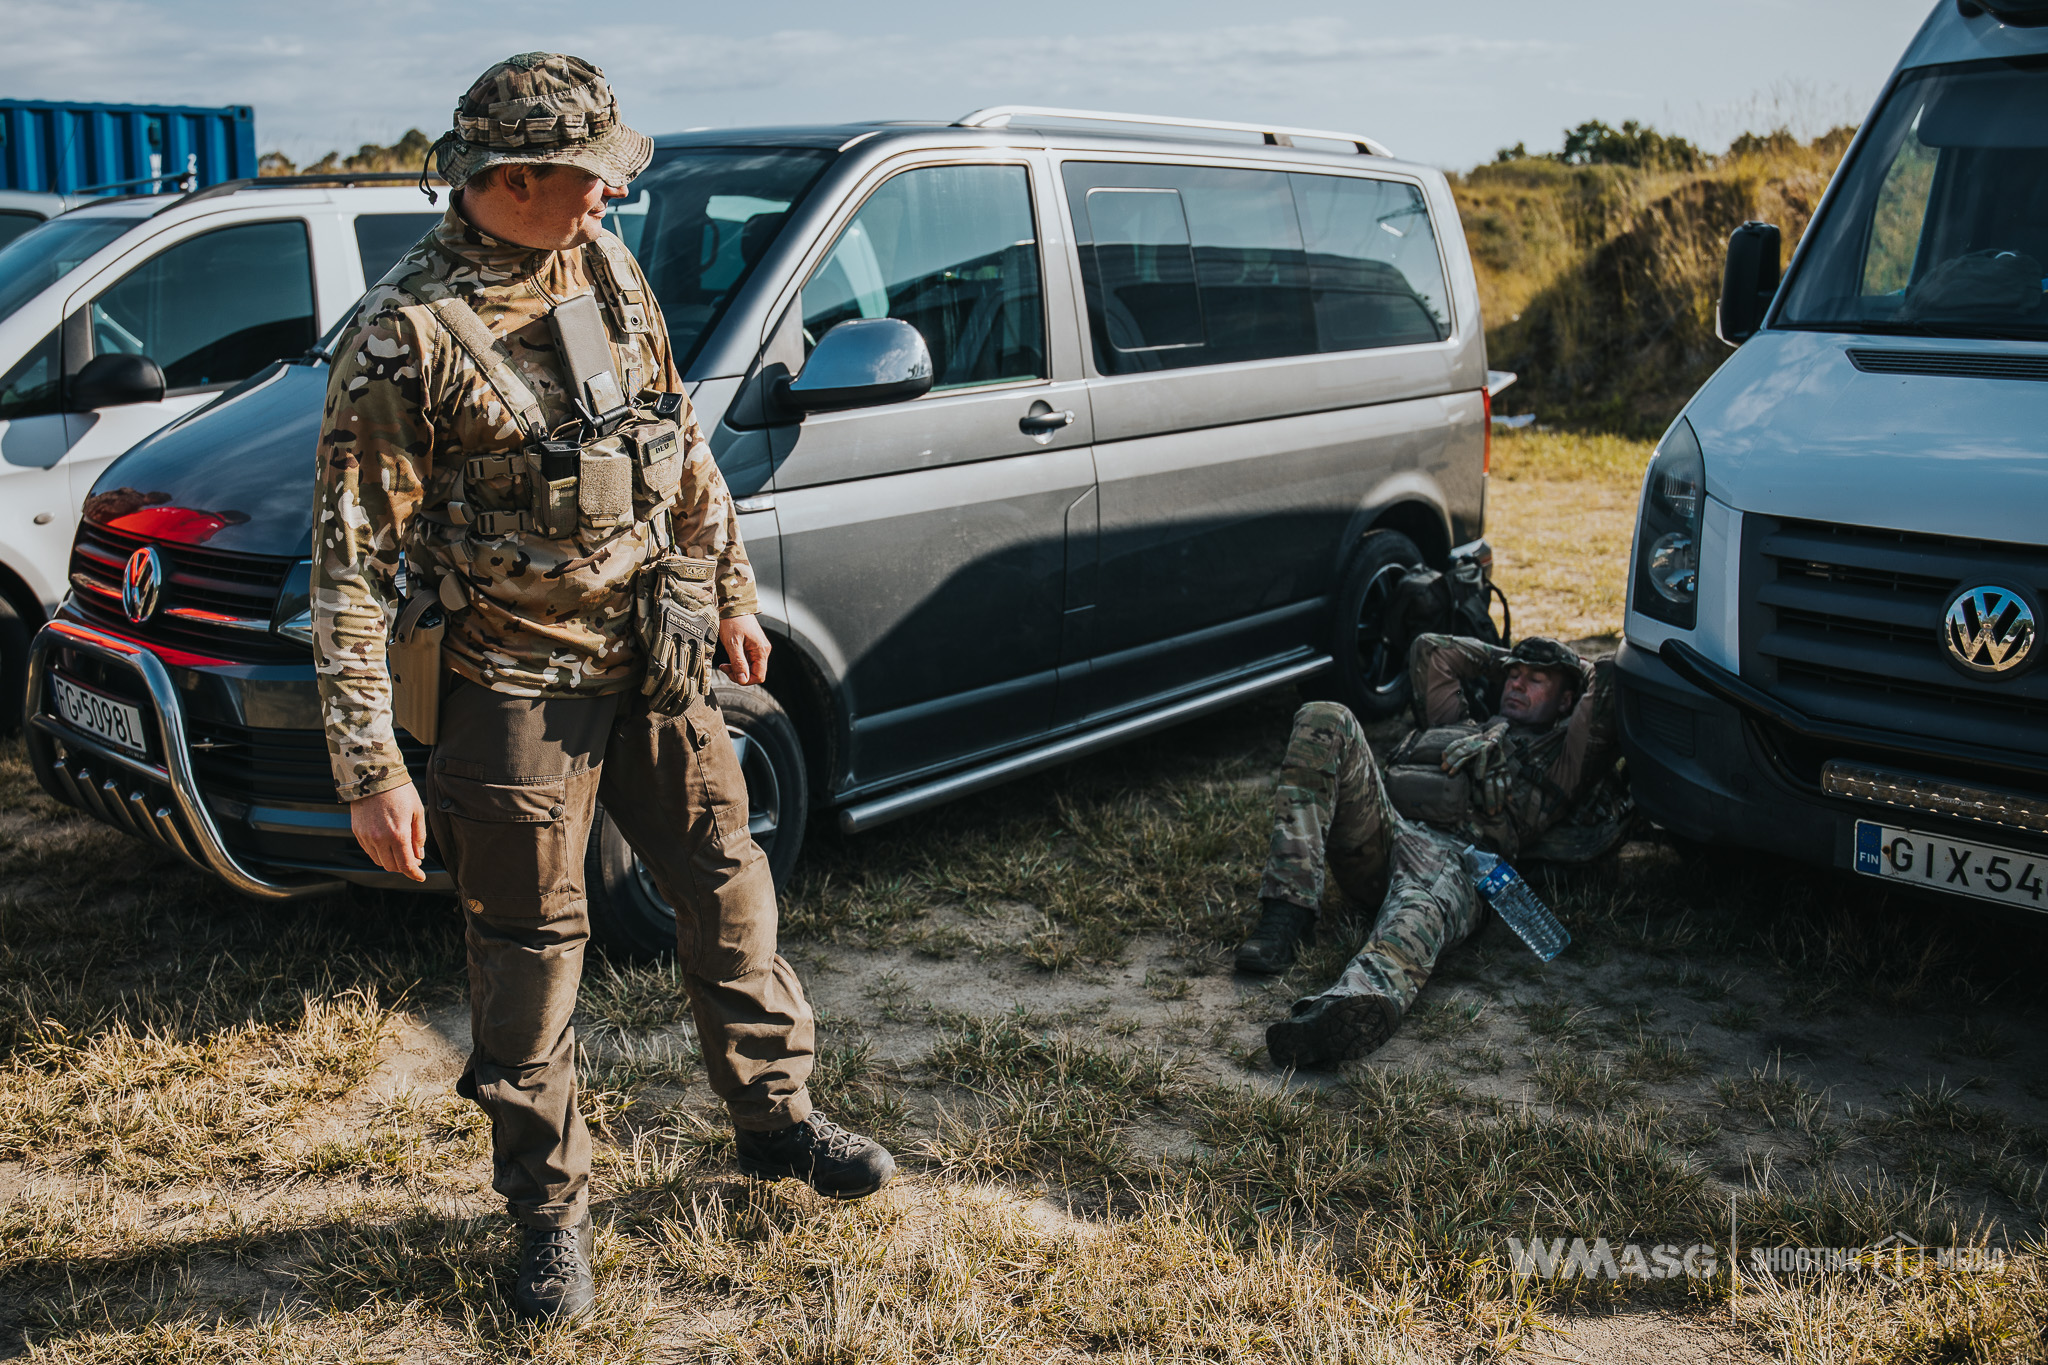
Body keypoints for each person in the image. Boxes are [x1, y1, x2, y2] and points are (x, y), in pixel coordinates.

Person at [312, 53, 892, 1321]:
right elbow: (350, 567)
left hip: (653, 658)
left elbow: (675, 438)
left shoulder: (606, 266)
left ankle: (774, 1119)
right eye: (590, 176)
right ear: (514, 178)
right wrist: (370, 767)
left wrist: (726, 588)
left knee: (727, 882)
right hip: (509, 686)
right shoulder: (406, 335)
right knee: (529, 952)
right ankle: (547, 1216)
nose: (612, 196)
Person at [1237, 634, 1624, 1068]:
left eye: (1536, 680)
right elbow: (1431, 649)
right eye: (1513, 676)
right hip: (1386, 832)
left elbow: (1609, 677)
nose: (1517, 684)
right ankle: (1286, 914)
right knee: (1324, 716)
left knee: (1418, 910)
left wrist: (1571, 665)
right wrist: (1508, 660)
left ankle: (1344, 1008)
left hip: (1456, 859)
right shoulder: (1457, 721)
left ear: (1566, 699)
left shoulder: (1561, 757)